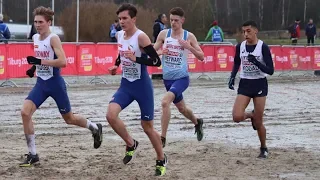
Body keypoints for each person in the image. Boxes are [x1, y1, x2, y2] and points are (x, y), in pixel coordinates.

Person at [19, 6, 103, 167]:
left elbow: (63, 62)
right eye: (35, 22)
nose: (37, 25)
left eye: (41, 22)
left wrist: (40, 62)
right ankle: (33, 154)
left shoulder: (53, 38)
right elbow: (40, 57)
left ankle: (94, 127)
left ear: (49, 22)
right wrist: (33, 68)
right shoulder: (36, 38)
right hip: (41, 84)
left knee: (69, 119)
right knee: (25, 113)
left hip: (55, 83)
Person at [106, 3, 167, 176]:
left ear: (133, 19)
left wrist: (136, 59)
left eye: (125, 18)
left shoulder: (141, 37)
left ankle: (161, 158)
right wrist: (115, 65)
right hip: (126, 84)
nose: (122, 22)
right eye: (119, 19)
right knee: (110, 115)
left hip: (142, 86)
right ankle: (131, 143)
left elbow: (156, 62)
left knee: (147, 127)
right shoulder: (119, 35)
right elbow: (121, 53)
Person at [153, 7, 205, 148]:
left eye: (176, 20)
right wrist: (160, 52)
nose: (173, 23)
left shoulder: (189, 36)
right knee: (182, 109)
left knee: (165, 102)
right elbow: (152, 52)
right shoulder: (164, 34)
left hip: (182, 78)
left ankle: (162, 137)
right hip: (167, 79)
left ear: (182, 20)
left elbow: (202, 57)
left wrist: (189, 47)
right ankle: (197, 122)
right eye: (171, 20)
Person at [228, 20, 274, 158]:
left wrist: (257, 63)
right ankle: (251, 115)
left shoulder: (262, 47)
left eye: (248, 31)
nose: (245, 34)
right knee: (236, 117)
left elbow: (270, 70)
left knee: (259, 122)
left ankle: (263, 147)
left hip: (259, 84)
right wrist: (232, 76)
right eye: (243, 32)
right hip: (245, 83)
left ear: (255, 31)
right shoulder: (240, 46)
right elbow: (237, 62)